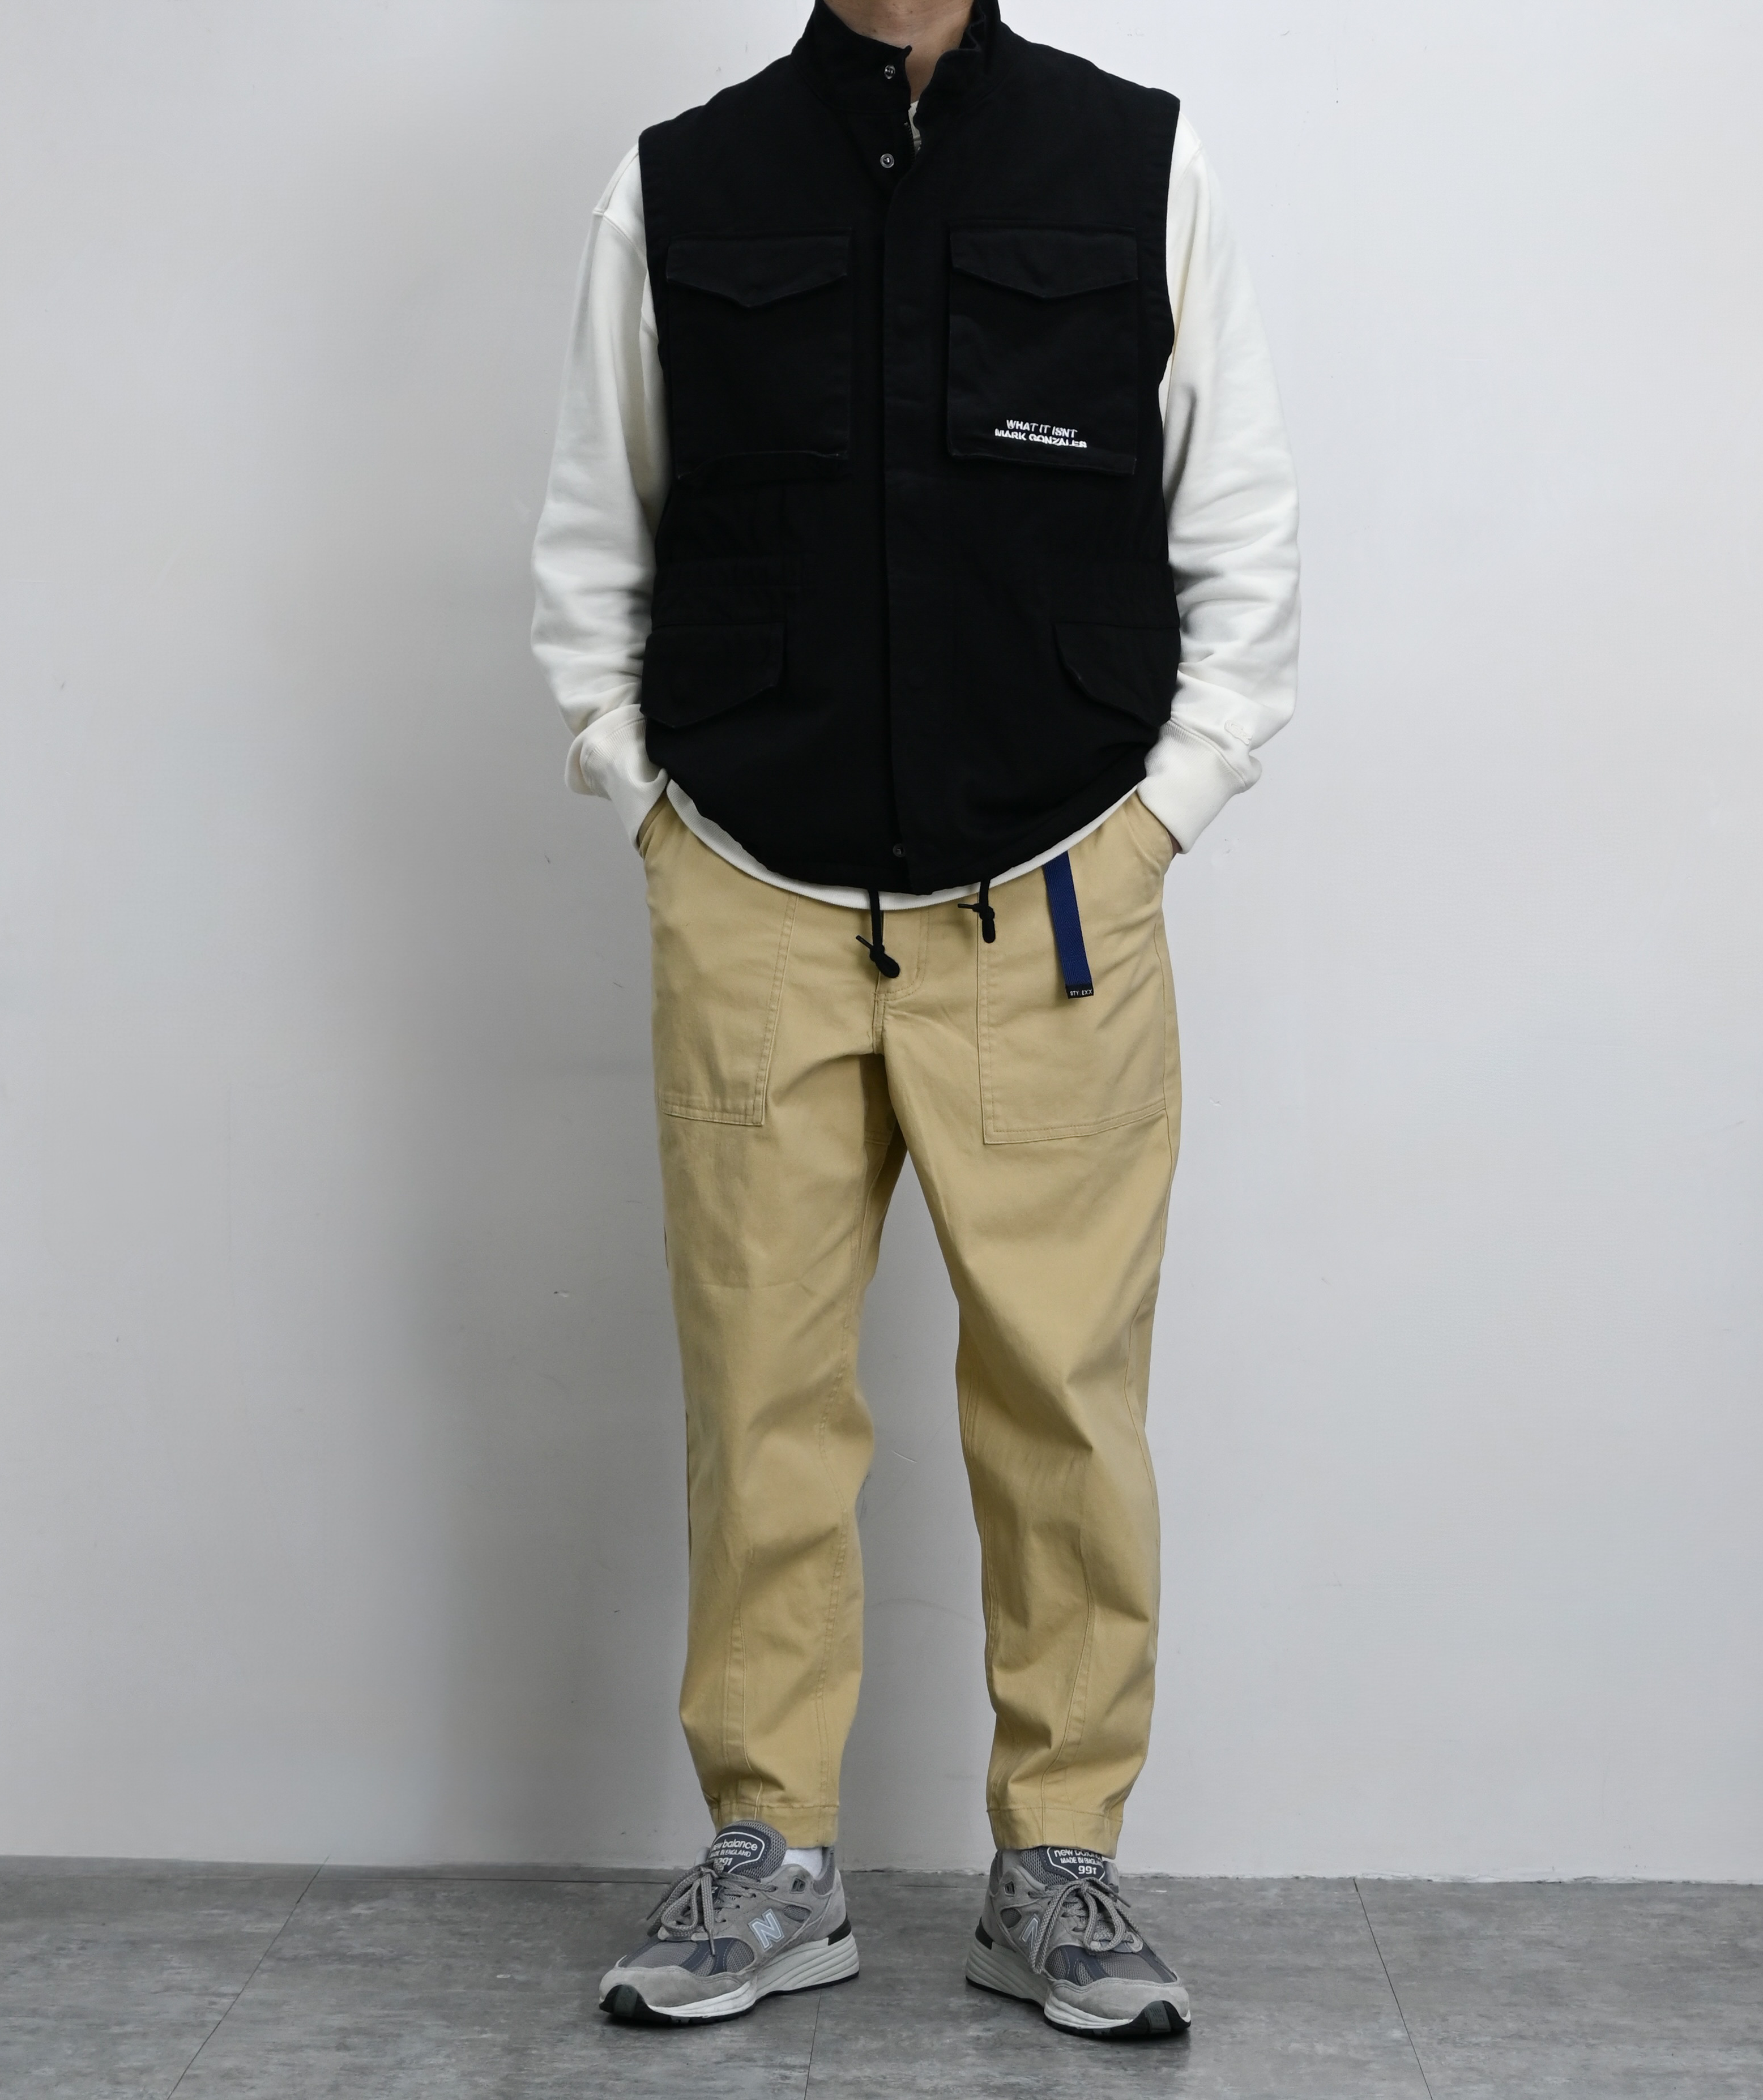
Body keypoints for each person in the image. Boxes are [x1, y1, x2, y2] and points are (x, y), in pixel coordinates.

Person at [531, 0, 1298, 2041]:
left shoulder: (1139, 160)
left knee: (1065, 1401)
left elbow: (1241, 530)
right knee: (758, 1396)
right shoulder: (683, 183)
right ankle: (770, 1856)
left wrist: (1159, 823)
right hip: (752, 898)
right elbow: (597, 528)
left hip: (1054, 906)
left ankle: (1060, 1862)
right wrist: (650, 805)